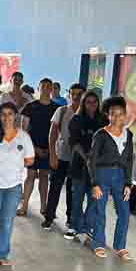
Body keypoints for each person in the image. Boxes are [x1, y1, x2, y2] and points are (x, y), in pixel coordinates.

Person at [0, 102, 35, 266]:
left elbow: (30, 159)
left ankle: (2, 254)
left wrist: (13, 165)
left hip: (13, 185)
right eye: (3, 114)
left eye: (10, 114)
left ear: (15, 116)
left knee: (7, 220)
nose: (7, 117)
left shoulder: (23, 136)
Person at [88, 96, 134, 261]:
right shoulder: (101, 134)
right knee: (100, 210)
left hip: (120, 177)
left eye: (120, 114)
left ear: (125, 116)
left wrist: (128, 183)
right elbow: (91, 160)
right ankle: (98, 243)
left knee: (124, 212)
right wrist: (95, 184)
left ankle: (120, 246)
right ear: (108, 115)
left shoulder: (129, 135)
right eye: (113, 114)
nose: (117, 117)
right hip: (102, 175)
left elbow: (129, 160)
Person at [46, 83, 85, 236]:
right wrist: (52, 155)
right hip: (61, 155)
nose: (76, 96)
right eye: (73, 93)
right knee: (55, 187)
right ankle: (49, 217)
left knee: (73, 190)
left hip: (78, 160)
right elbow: (53, 134)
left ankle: (71, 219)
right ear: (69, 94)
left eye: (79, 93)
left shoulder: (86, 114)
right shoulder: (61, 111)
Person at [67, 91, 105, 241]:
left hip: (97, 168)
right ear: (83, 104)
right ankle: (76, 226)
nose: (91, 105)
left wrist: (96, 159)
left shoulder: (103, 120)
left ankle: (87, 226)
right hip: (79, 164)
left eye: (94, 102)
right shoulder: (76, 120)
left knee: (93, 199)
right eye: (88, 102)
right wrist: (86, 157)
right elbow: (74, 143)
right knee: (77, 198)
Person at [20, 78, 60, 219]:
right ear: (39, 88)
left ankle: (44, 207)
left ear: (52, 89)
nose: (46, 88)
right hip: (32, 147)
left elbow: (58, 131)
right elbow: (23, 130)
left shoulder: (56, 108)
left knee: (44, 176)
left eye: (49, 86)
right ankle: (24, 206)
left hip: (49, 147)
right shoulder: (30, 107)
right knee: (30, 176)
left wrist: (51, 149)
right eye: (43, 86)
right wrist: (33, 148)